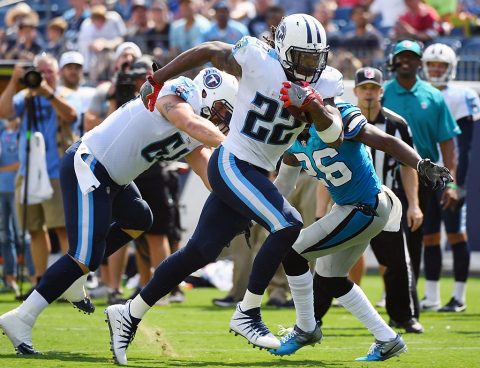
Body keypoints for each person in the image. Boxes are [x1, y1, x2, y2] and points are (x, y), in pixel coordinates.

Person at [105, 13, 345, 365]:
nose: (309, 67)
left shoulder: (325, 85)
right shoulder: (258, 59)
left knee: (199, 251)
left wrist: (315, 107)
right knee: (289, 224)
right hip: (233, 161)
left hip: (257, 172)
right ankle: (247, 312)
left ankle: (128, 312)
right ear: (281, 49)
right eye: (301, 58)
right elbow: (209, 49)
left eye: (314, 58)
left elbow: (334, 136)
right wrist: (158, 78)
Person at [0, 67, 238, 355]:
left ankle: (76, 277)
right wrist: (231, 145)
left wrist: (239, 199)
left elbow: (206, 170)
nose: (224, 120)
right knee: (83, 255)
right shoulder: (177, 92)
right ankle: (21, 318)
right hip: (89, 164)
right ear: (207, 94)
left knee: (138, 218)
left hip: (113, 177)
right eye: (224, 111)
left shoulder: (198, 131)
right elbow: (186, 120)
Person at [268, 94, 452, 360]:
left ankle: (305, 328)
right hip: (351, 207)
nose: (288, 116)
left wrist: (420, 163)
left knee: (292, 252)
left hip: (366, 205)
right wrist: (254, 212)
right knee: (331, 279)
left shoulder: (339, 116)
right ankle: (387, 339)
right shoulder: (293, 141)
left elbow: (387, 141)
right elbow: (283, 186)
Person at [312, 67, 424, 336]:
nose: (370, 93)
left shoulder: (397, 124)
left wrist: (414, 203)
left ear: (381, 91)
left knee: (398, 262)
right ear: (356, 91)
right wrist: (320, 210)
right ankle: (311, 317)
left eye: (374, 88)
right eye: (365, 88)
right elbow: (325, 167)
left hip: (386, 203)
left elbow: (407, 167)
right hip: (348, 203)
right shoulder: (338, 121)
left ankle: (404, 317)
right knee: (328, 263)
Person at [0, 54, 79, 298]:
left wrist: (48, 93)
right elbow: (4, 112)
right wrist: (15, 82)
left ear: (57, 74)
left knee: (62, 228)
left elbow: (71, 116)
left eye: (49, 72)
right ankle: (40, 281)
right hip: (27, 172)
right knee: (34, 229)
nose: (44, 76)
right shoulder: (25, 97)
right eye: (40, 72)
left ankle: (70, 285)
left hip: (56, 172)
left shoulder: (64, 94)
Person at [382, 39, 460, 282]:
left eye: (411, 57)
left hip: (422, 176)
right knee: (385, 235)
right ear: (393, 62)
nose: (406, 61)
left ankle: (409, 291)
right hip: (385, 173)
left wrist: (451, 182)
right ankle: (391, 291)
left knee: (415, 236)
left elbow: (447, 142)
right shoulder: (382, 93)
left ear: (419, 63)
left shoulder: (433, 97)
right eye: (401, 57)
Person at [421, 43, 479, 312]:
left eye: (440, 66)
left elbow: (464, 147)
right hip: (425, 174)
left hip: (448, 176)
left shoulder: (461, 96)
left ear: (450, 68)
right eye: (431, 64)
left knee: (456, 234)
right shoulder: (419, 92)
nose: (435, 69)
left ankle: (459, 297)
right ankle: (431, 297)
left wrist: (457, 183)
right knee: (429, 237)